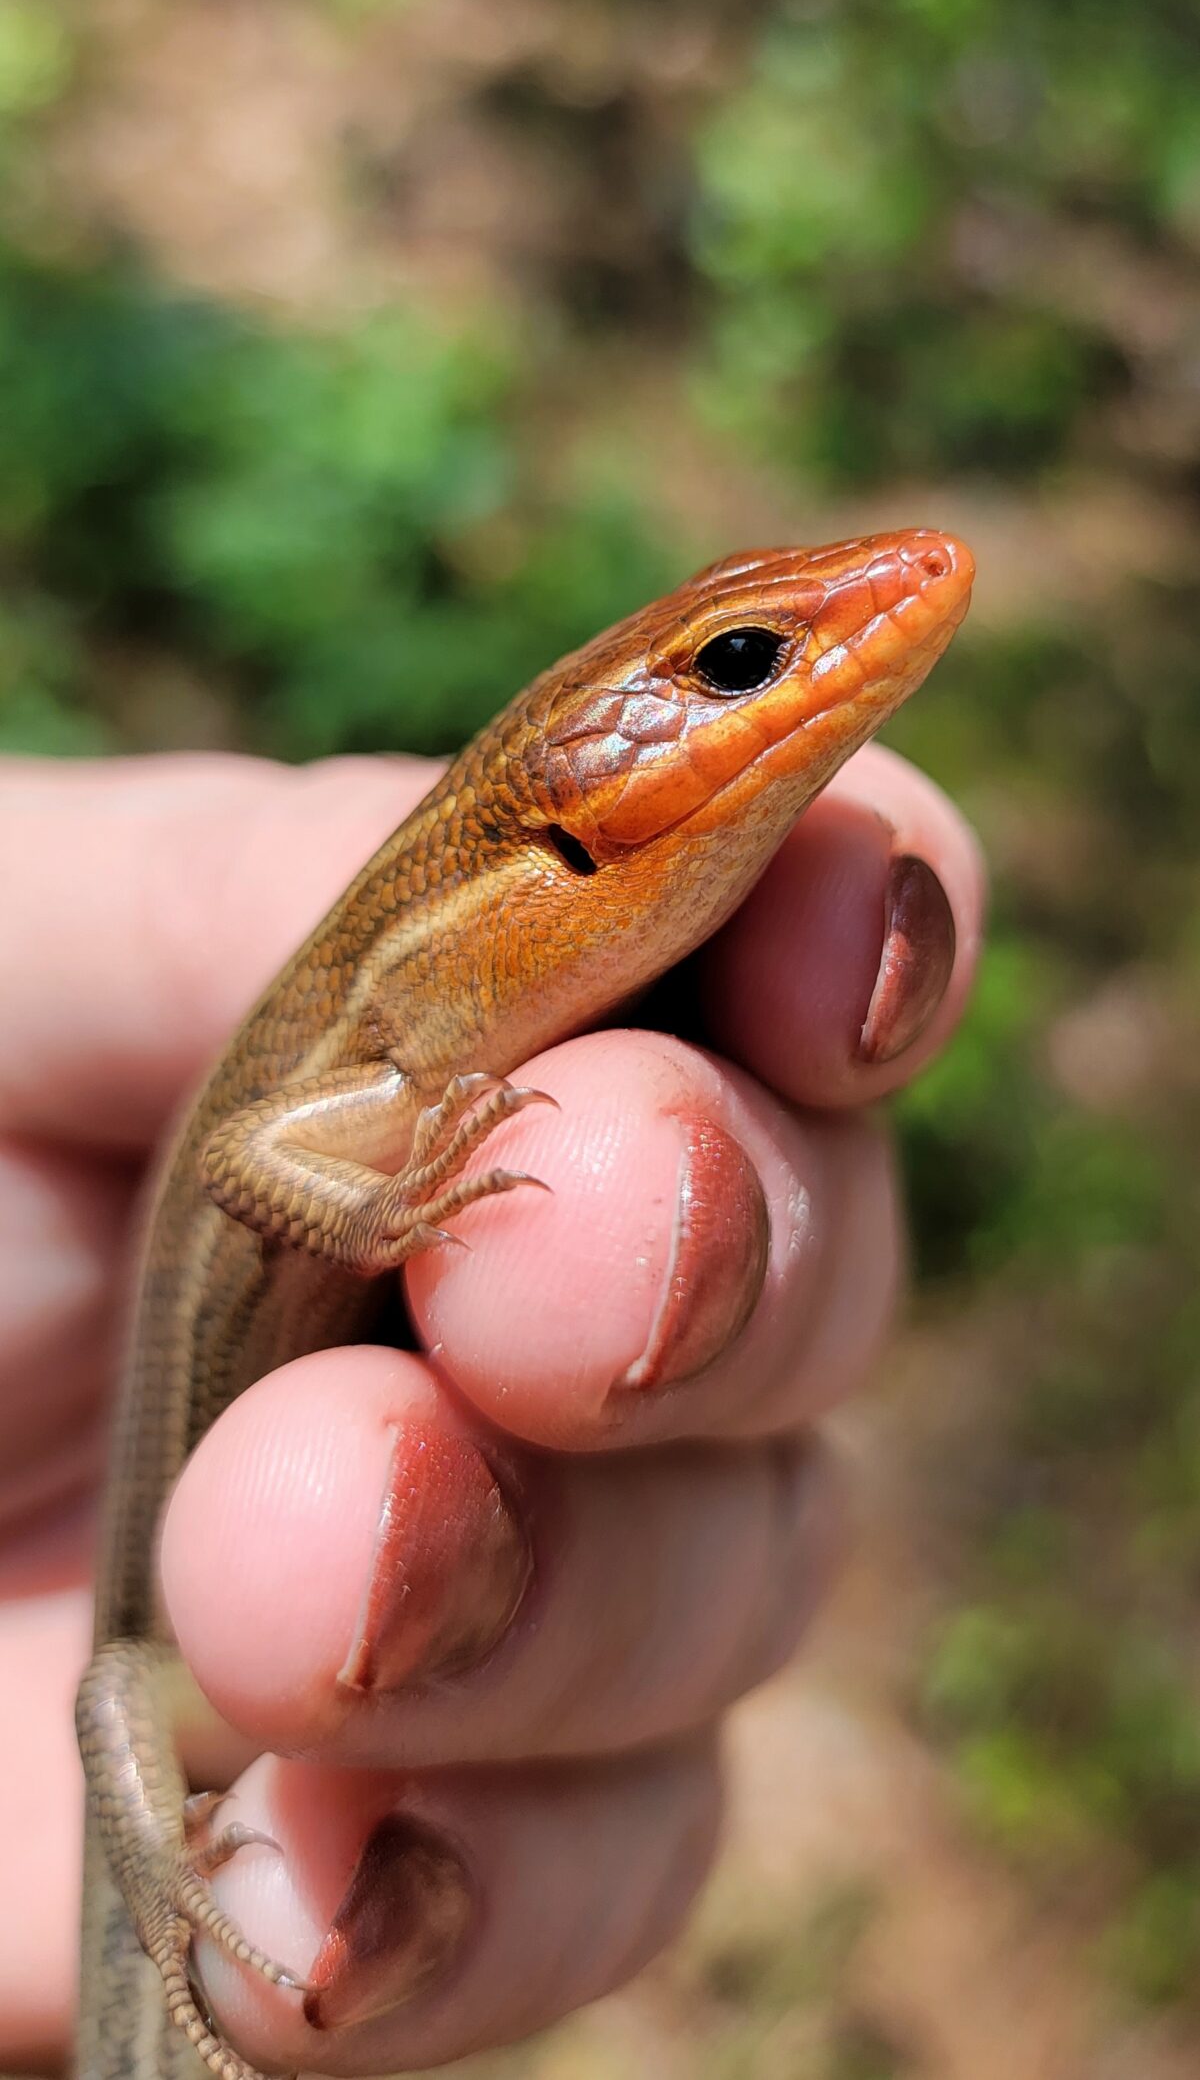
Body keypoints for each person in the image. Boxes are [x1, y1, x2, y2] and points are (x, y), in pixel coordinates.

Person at [0, 740, 983, 2073]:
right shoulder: (404, 995)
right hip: (149, 1665)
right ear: (560, 829)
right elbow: (247, 1151)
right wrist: (393, 1212)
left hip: (241, 1610)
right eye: (741, 662)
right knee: (125, 1693)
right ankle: (162, 1915)